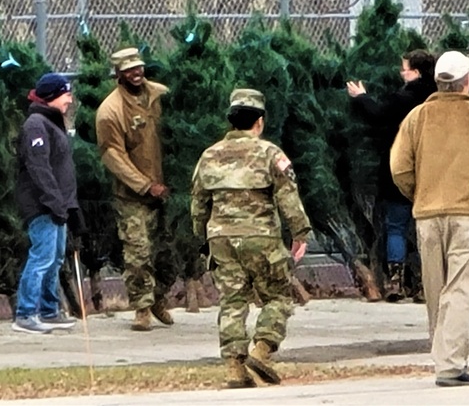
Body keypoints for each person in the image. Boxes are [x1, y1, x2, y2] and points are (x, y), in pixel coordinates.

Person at [389, 50, 469, 387]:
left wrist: (418, 193)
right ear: (467, 81)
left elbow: (400, 167)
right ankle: (449, 364)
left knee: (436, 289)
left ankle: (442, 357)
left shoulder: (417, 118)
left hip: (427, 214)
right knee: (461, 289)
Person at [190, 88, 312, 389]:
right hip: (262, 238)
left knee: (232, 302)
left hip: (221, 239)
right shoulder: (270, 154)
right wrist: (300, 232)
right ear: (259, 121)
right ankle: (261, 350)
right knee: (279, 296)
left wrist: (202, 236)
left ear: (231, 121)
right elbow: (288, 197)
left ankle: (235, 369)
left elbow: (198, 203)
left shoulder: (209, 155)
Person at [346, 49, 437, 301]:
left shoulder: (404, 98)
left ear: (415, 72)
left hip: (400, 168)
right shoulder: (439, 98)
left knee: (396, 226)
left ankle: (395, 281)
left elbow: (378, 114)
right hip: (431, 170)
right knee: (424, 229)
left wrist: (362, 97)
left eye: (404, 68)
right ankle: (422, 284)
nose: (401, 72)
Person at [95, 47, 175, 331]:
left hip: (168, 190)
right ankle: (142, 307)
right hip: (133, 196)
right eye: (129, 69)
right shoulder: (110, 111)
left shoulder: (160, 95)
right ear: (118, 74)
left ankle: (159, 297)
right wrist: (145, 185)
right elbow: (112, 156)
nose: (136, 73)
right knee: (138, 253)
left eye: (138, 67)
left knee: (169, 252)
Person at [12, 73, 79, 334]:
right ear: (52, 96)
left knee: (55, 258)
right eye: (66, 95)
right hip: (42, 205)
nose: (70, 100)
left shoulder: (52, 123)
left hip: (58, 205)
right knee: (41, 257)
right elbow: (39, 168)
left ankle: (50, 310)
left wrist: (69, 206)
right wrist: (53, 201)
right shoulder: (36, 125)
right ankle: (25, 313)